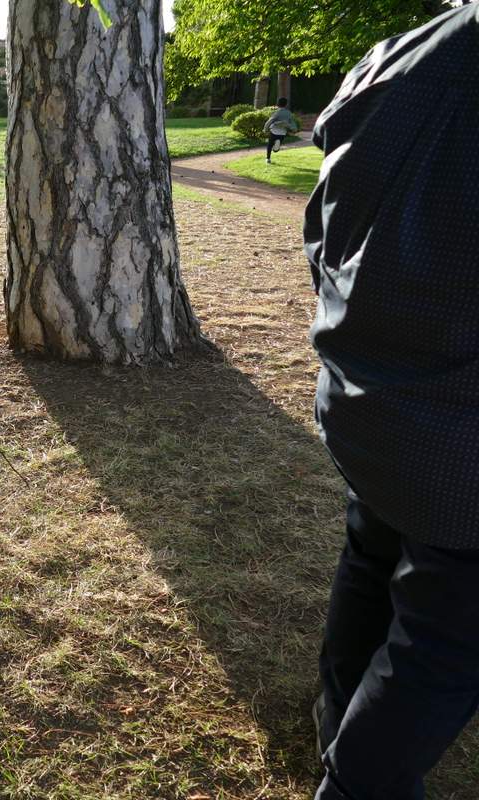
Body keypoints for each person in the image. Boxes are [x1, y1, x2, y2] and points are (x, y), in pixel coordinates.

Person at [303, 6, 479, 799]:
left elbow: (323, 222)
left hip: (367, 396)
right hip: (455, 442)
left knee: (371, 561)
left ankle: (335, 728)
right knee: (441, 646)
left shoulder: (409, 53)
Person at [264, 97, 298, 164]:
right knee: (276, 147)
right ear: (286, 104)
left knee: (269, 144)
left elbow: (270, 121)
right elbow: (292, 122)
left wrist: (265, 128)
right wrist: (294, 129)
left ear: (278, 104)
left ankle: (268, 158)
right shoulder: (289, 113)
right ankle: (277, 144)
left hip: (274, 131)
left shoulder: (277, 112)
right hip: (282, 132)